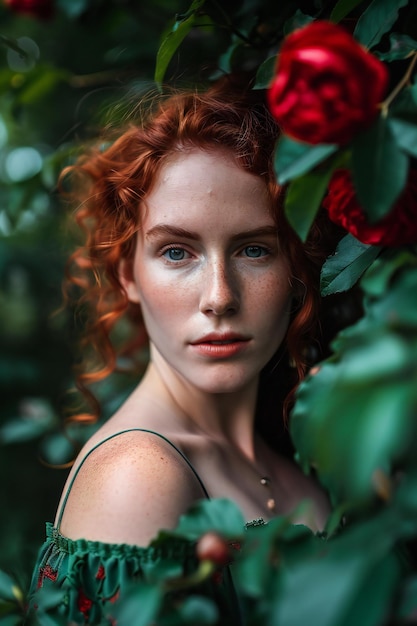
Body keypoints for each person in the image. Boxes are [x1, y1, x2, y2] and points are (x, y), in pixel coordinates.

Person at [28, 79, 331, 624]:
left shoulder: (296, 450)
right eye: (176, 251)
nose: (219, 296)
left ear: (296, 270)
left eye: (255, 249)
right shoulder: (139, 476)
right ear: (128, 275)